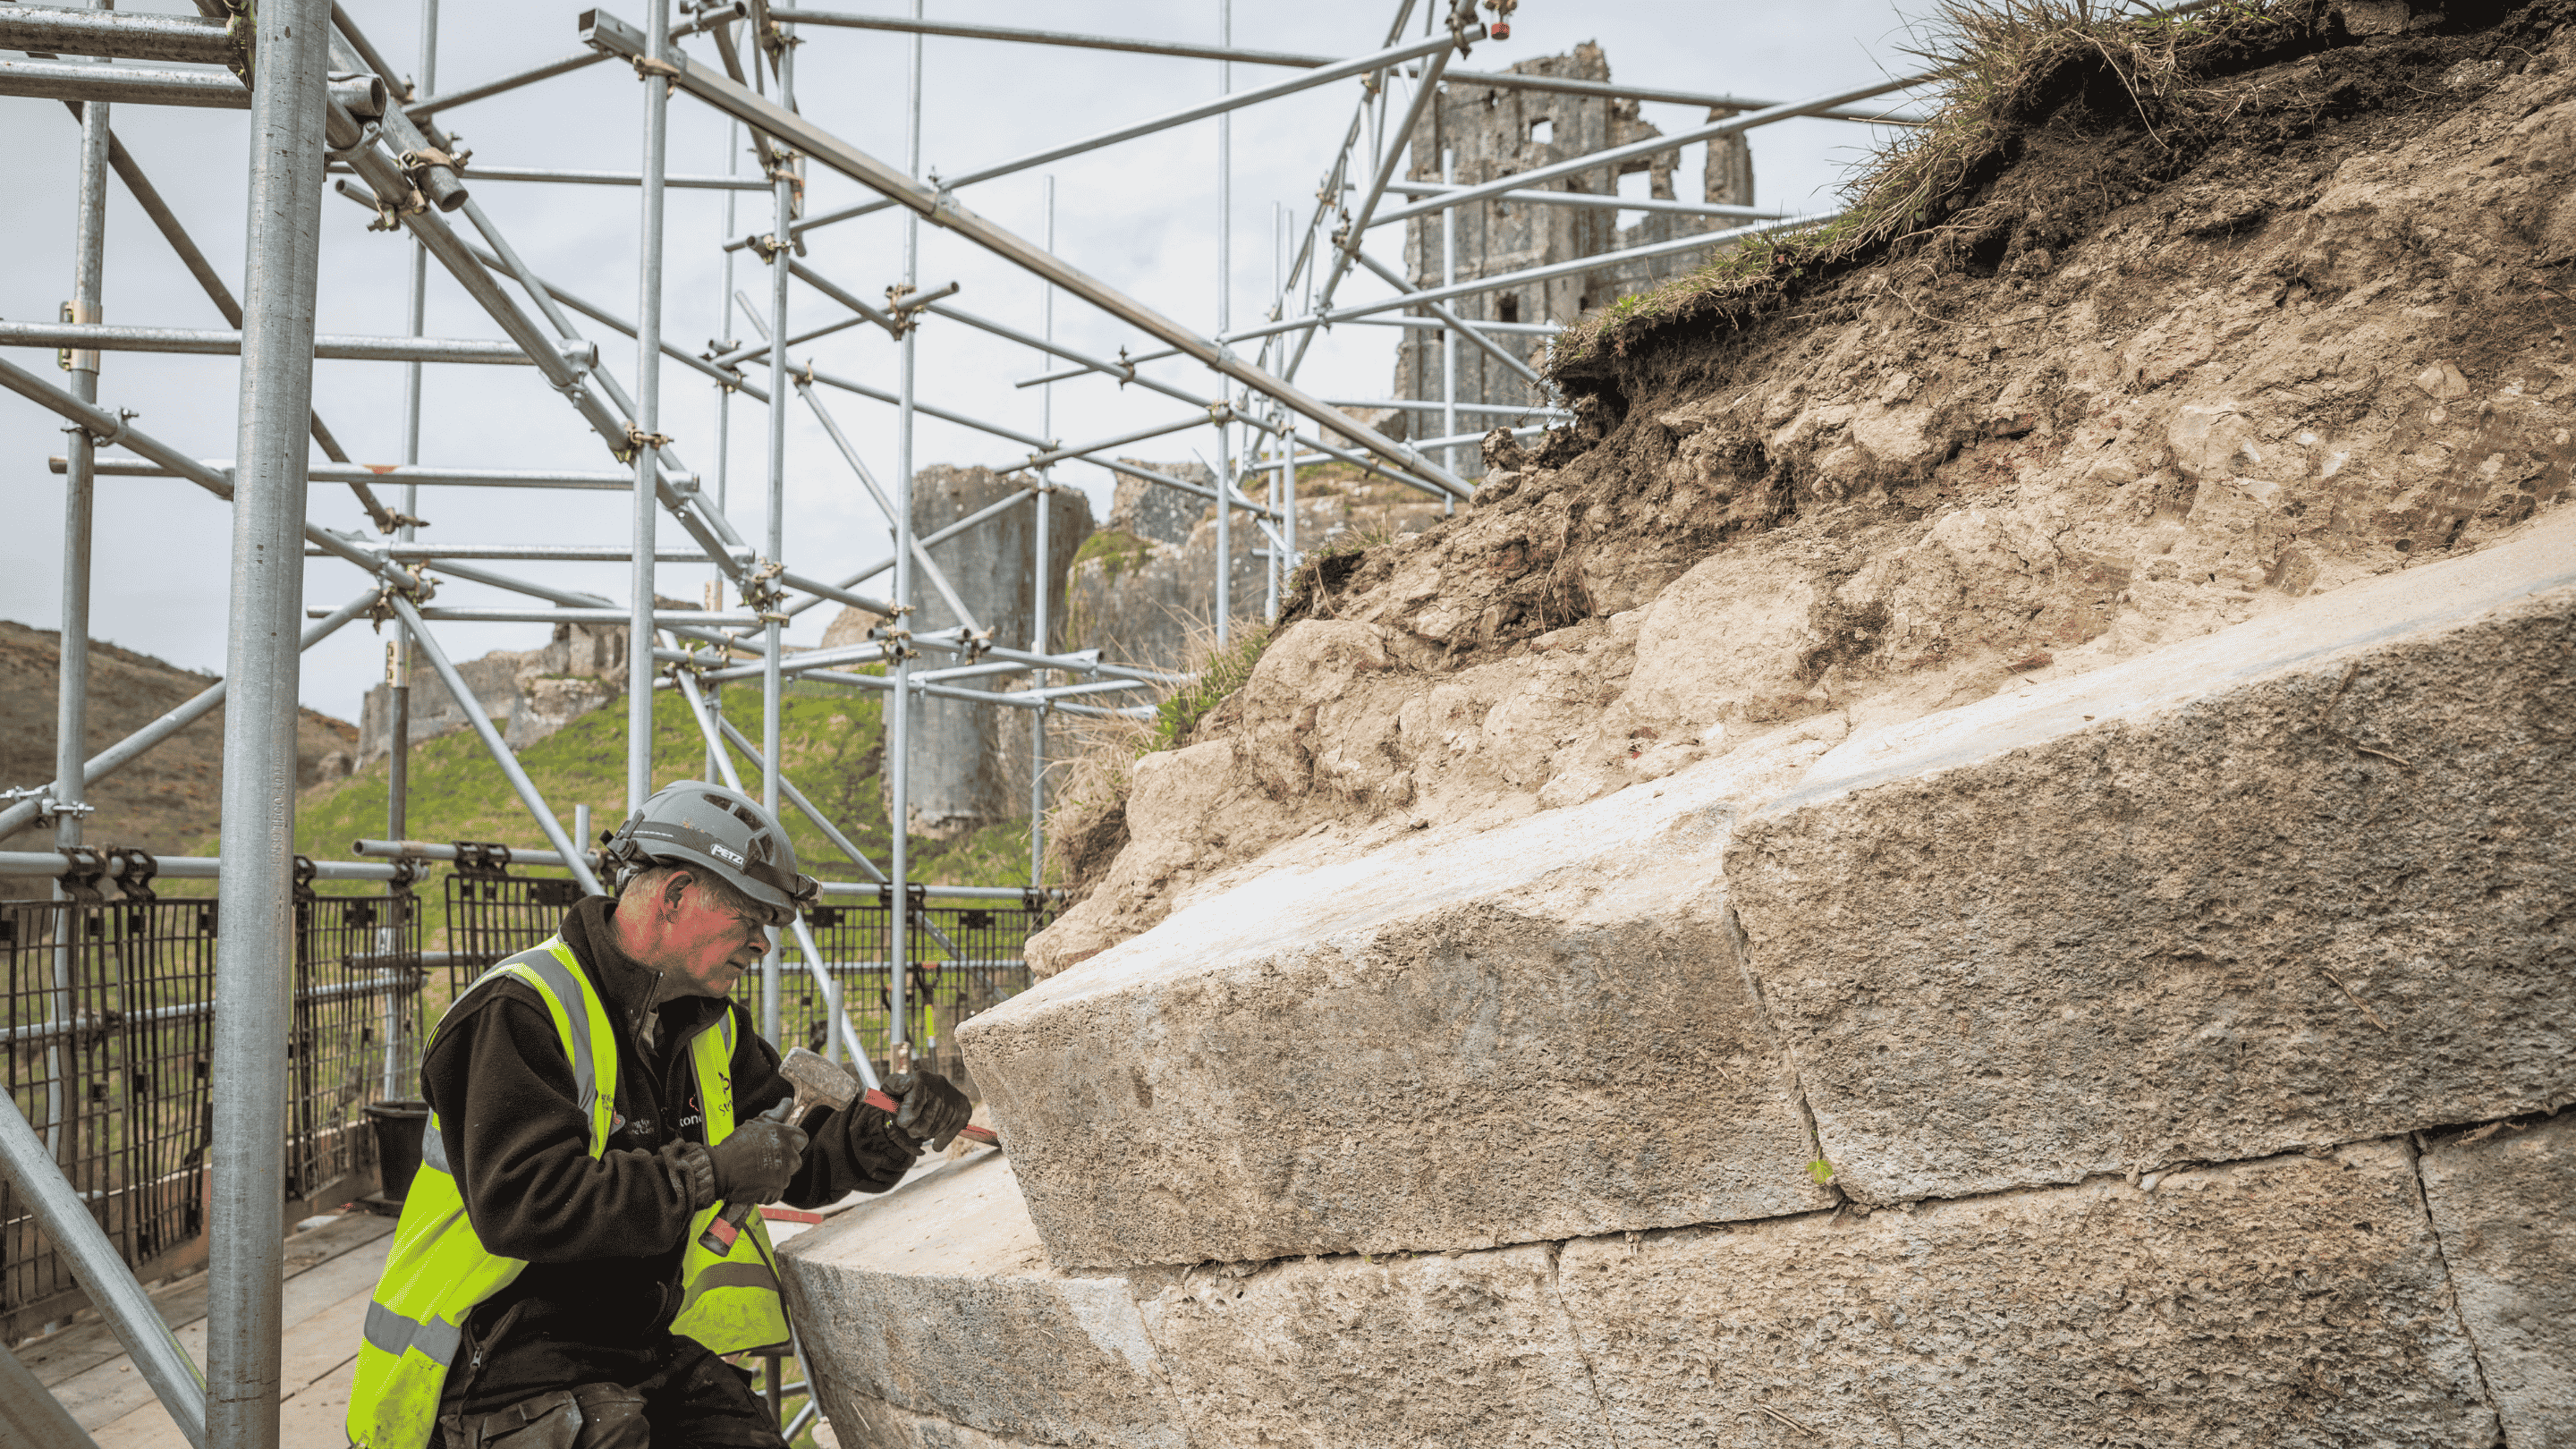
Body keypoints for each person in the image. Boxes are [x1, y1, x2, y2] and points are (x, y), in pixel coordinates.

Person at [348, 782, 972, 1449]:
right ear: (674, 897)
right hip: (497, 1362)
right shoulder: (519, 1011)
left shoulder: (710, 1029)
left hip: (633, 1348)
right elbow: (524, 1201)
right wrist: (706, 1174)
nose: (761, 946)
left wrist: (894, 1127)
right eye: (749, 918)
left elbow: (804, 1161)